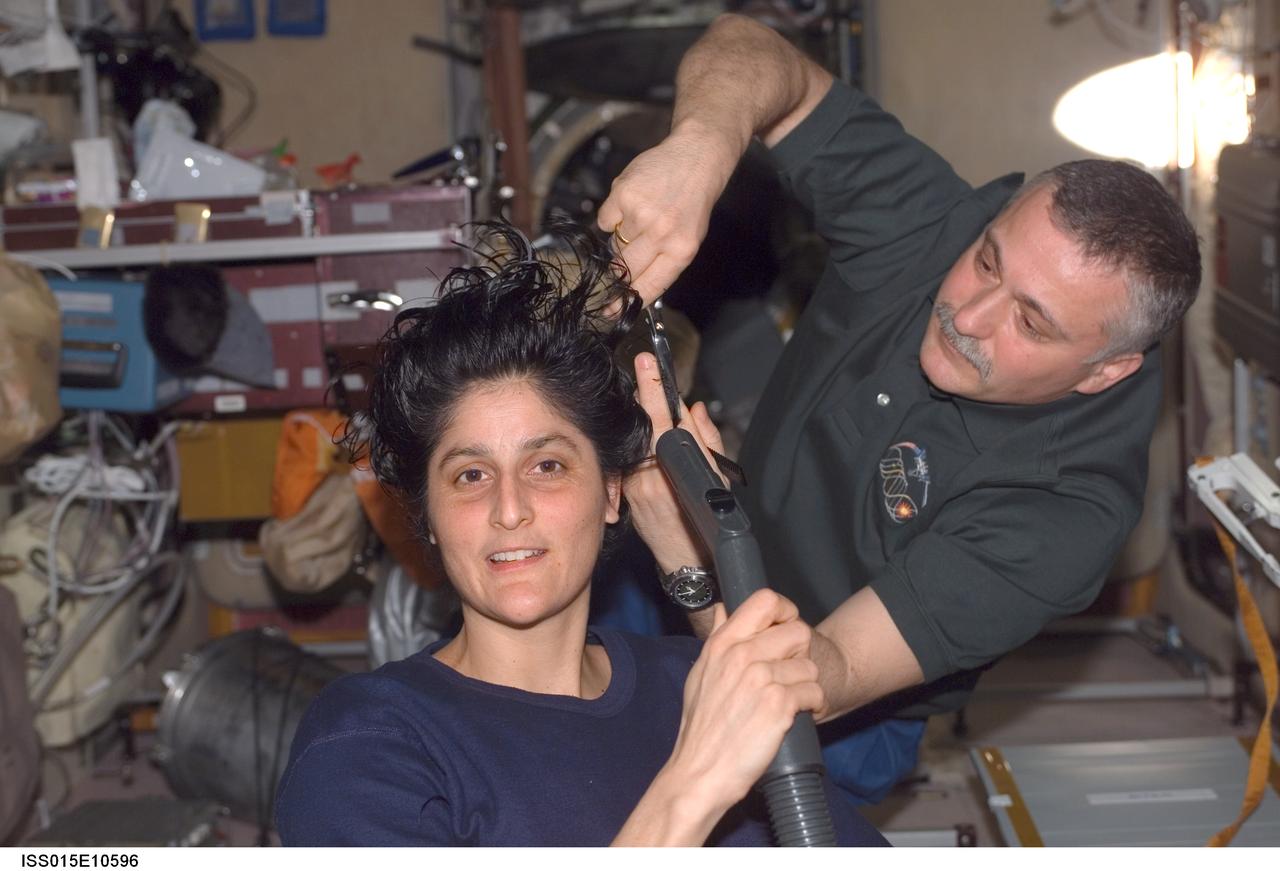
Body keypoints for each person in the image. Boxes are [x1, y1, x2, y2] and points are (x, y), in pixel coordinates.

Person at [601, 14, 1202, 803]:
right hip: (673, 560)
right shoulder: (932, 223)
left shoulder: (1065, 512)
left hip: (832, 712)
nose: (968, 314)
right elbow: (752, 48)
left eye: (1030, 323)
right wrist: (700, 150)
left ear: (1105, 371)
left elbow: (820, 673)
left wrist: (689, 559)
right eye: (987, 260)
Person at [272, 223, 887, 847]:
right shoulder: (373, 740)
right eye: (470, 475)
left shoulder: (692, 681)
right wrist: (697, 779)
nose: (509, 509)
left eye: (547, 466)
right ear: (428, 517)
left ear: (613, 492)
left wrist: (691, 563)